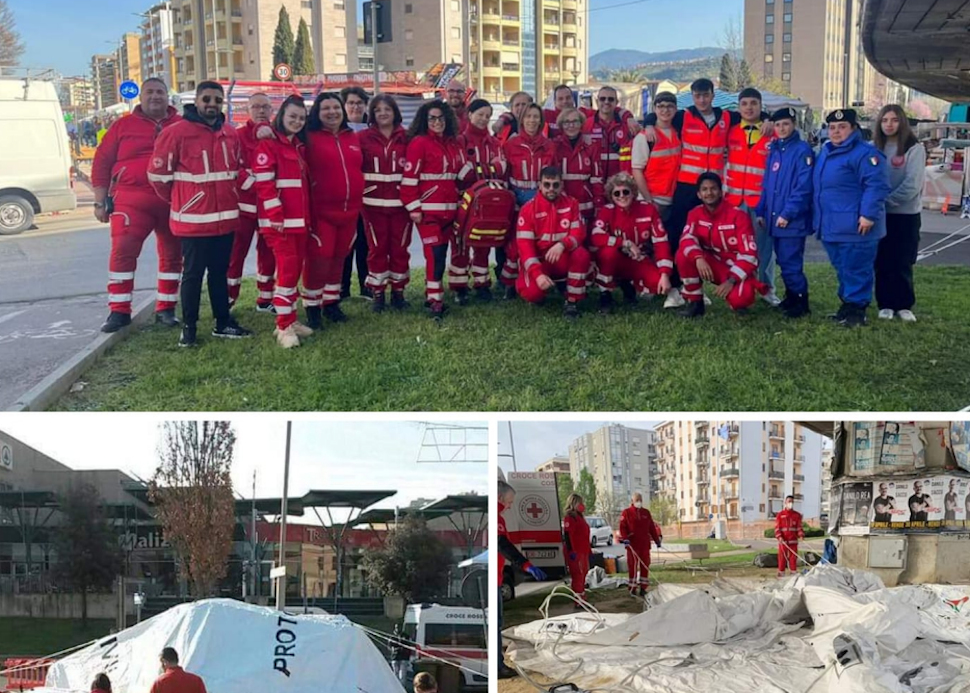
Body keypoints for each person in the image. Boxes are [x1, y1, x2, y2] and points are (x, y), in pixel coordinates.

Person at [641, 78, 772, 308]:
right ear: (693, 97)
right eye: (697, 96)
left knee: (715, 237)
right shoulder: (684, 116)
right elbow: (661, 114)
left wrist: (768, 119)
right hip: (687, 186)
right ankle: (678, 286)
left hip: (714, 188)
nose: (701, 100)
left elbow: (751, 115)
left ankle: (732, 281)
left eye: (705, 95)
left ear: (713, 95)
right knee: (679, 235)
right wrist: (648, 123)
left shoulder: (726, 117)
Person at [148, 80, 253, 347]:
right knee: (193, 276)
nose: (212, 105)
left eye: (218, 100)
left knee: (220, 273)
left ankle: (223, 322)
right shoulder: (177, 132)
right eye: (207, 99)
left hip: (226, 219)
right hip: (193, 222)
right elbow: (158, 176)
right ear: (196, 101)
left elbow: (236, 171)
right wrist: (181, 202)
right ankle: (189, 327)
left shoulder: (229, 133)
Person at [93, 77, 182, 333]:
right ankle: (119, 311)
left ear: (168, 97)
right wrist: (100, 200)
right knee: (122, 252)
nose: (155, 97)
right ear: (141, 97)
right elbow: (101, 162)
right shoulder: (122, 126)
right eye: (150, 92)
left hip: (171, 199)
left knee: (173, 256)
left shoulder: (180, 125)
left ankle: (166, 308)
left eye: (160, 92)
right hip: (131, 201)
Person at [813, 108, 891, 328]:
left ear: (854, 129)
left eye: (842, 127)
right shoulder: (826, 152)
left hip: (856, 226)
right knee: (843, 268)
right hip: (832, 225)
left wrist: (867, 215)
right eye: (833, 127)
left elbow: (876, 186)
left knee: (857, 268)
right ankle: (847, 306)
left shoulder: (866, 154)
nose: (836, 132)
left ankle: (857, 310)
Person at [251, 94, 315, 348]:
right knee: (287, 275)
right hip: (280, 224)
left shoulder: (296, 146)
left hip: (299, 223)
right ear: (281, 116)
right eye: (292, 116)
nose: (297, 121)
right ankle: (283, 326)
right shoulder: (268, 147)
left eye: (301, 118)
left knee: (294, 272)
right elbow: (265, 186)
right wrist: (276, 217)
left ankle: (291, 318)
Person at [401, 99, 472, 320]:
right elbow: (409, 180)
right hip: (429, 213)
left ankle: (446, 292)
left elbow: (460, 174)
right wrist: (414, 208)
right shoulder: (419, 143)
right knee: (435, 255)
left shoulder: (454, 143)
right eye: (432, 118)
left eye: (441, 118)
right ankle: (434, 300)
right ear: (425, 120)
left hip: (452, 211)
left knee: (454, 252)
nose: (437, 122)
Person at [304, 92, 365, 325]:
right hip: (321, 212)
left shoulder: (352, 137)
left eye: (336, 108)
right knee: (319, 259)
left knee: (339, 258)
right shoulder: (308, 137)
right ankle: (312, 307)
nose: (332, 112)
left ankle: (331, 303)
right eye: (326, 108)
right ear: (317, 113)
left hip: (350, 211)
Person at [676, 172, 765, 317]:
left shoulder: (738, 216)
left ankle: (738, 298)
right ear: (699, 194)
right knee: (683, 254)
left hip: (734, 268)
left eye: (713, 189)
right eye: (704, 189)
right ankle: (695, 303)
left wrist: (731, 280)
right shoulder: (694, 214)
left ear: (720, 192)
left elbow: (750, 254)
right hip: (710, 263)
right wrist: (698, 258)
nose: (709, 193)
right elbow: (686, 238)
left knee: (741, 299)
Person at [756, 107, 815, 318]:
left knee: (791, 261)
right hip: (773, 217)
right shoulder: (774, 150)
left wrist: (788, 214)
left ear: (794, 125)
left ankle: (800, 302)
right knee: (783, 260)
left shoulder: (801, 150)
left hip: (791, 219)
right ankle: (791, 296)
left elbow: (803, 188)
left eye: (786, 124)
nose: (782, 128)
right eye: (778, 124)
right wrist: (761, 210)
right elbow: (767, 184)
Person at [725, 88, 780, 305]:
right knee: (737, 248)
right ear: (739, 107)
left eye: (754, 103)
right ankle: (738, 288)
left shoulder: (773, 134)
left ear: (761, 106)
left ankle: (767, 289)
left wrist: (770, 120)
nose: (749, 108)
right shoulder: (730, 132)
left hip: (761, 202)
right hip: (734, 201)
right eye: (745, 103)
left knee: (764, 249)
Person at [515, 166, 591, 319]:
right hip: (540, 261)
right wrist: (537, 275)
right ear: (540, 185)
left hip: (561, 255)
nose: (551, 189)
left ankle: (572, 301)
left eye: (555, 185)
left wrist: (563, 244)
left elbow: (578, 234)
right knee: (532, 294)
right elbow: (525, 248)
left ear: (562, 185)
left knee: (581, 254)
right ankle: (544, 287)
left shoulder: (572, 204)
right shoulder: (528, 209)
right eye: (547, 184)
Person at [359, 94, 411, 312]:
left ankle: (398, 292)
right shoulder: (362, 138)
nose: (383, 113)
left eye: (387, 109)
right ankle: (378, 293)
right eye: (378, 110)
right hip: (372, 205)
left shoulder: (407, 137)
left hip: (401, 205)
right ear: (372, 114)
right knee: (377, 249)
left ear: (395, 112)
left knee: (400, 249)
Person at [590, 172, 672, 312]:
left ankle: (630, 285)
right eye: (617, 193)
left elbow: (661, 242)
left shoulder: (648, 209)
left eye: (625, 191)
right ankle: (605, 294)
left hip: (638, 258)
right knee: (608, 253)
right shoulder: (607, 211)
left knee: (657, 285)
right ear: (611, 196)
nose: (622, 196)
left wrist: (665, 274)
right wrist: (624, 243)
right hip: (616, 259)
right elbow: (595, 236)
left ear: (633, 192)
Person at [874, 104, 926, 322]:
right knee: (882, 260)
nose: (889, 124)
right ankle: (885, 303)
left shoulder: (914, 148)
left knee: (903, 260)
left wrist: (885, 201)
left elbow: (912, 184)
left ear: (902, 122)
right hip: (880, 215)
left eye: (894, 120)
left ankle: (904, 304)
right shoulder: (874, 147)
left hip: (905, 215)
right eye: (885, 120)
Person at [229, 92, 277, 313]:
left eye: (265, 107)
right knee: (235, 254)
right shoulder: (237, 136)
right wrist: (255, 184)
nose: (261, 111)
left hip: (269, 209)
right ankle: (228, 299)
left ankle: (266, 298)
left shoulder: (276, 135)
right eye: (256, 107)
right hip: (243, 210)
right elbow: (231, 167)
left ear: (272, 111)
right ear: (248, 111)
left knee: (268, 254)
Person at [502, 103, 556, 298]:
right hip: (517, 197)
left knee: (539, 243)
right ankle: (508, 283)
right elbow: (505, 175)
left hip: (541, 198)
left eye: (536, 117)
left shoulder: (549, 145)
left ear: (541, 121)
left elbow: (554, 175)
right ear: (522, 119)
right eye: (528, 117)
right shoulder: (510, 144)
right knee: (515, 245)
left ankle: (537, 279)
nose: (532, 121)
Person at [497, 474, 547, 679]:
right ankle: (498, 667)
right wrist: (525, 565)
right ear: (499, 498)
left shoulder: (498, 516)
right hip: (494, 581)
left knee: (497, 624)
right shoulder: (496, 517)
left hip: (497, 578)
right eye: (508, 502)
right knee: (496, 624)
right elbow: (503, 545)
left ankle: (498, 662)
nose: (509, 506)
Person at [459, 98, 508, 300]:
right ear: (470, 114)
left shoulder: (495, 143)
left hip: (488, 201)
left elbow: (502, 170)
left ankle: (482, 284)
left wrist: (477, 168)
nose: (484, 119)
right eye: (480, 114)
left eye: (488, 116)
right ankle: (459, 287)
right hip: (463, 199)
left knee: (483, 243)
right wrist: (488, 168)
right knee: (460, 245)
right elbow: (461, 173)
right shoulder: (460, 141)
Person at [339, 86, 372, 302]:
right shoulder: (336, 129)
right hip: (343, 197)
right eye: (351, 103)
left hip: (368, 196)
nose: (355, 106)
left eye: (359, 103)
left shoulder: (372, 128)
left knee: (365, 243)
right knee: (343, 245)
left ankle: (366, 285)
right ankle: (342, 288)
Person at [630, 91, 681, 220]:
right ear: (654, 109)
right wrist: (648, 201)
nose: (665, 110)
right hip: (653, 199)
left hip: (672, 200)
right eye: (661, 106)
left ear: (676, 109)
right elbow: (637, 171)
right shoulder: (645, 138)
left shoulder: (678, 133)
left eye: (669, 106)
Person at [553, 107, 604, 230]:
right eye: (567, 122)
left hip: (586, 202)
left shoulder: (591, 146)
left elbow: (597, 178)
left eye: (575, 121)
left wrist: (598, 202)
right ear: (561, 125)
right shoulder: (554, 146)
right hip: (562, 201)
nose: (571, 126)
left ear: (581, 124)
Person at [582, 85, 635, 182]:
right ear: (597, 101)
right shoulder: (587, 125)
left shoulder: (626, 125)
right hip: (595, 183)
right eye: (603, 99)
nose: (606, 102)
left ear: (616, 102)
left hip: (620, 185)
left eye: (610, 99)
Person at [618, 492, 661, 596]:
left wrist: (657, 540)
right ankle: (632, 588)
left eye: (640, 500)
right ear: (632, 501)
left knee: (645, 566)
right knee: (632, 566)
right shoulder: (626, 513)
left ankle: (643, 587)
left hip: (644, 544)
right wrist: (625, 539)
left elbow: (651, 528)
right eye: (637, 500)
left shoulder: (646, 513)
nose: (639, 502)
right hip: (632, 545)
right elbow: (622, 527)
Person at [562, 492, 591, 603]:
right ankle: (579, 600)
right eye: (580, 503)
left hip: (582, 550)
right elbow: (568, 535)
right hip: (575, 551)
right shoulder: (570, 518)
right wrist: (571, 551)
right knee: (578, 575)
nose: (582, 505)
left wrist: (589, 551)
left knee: (583, 573)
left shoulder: (580, 517)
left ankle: (581, 596)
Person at [774, 495, 803, 579]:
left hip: (793, 541)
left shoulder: (797, 515)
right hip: (783, 541)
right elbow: (777, 528)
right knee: (782, 557)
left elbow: (799, 527)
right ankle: (781, 574)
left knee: (793, 558)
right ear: (785, 503)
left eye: (792, 502)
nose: (790, 503)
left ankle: (793, 574)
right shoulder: (780, 515)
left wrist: (801, 534)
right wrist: (779, 537)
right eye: (789, 501)